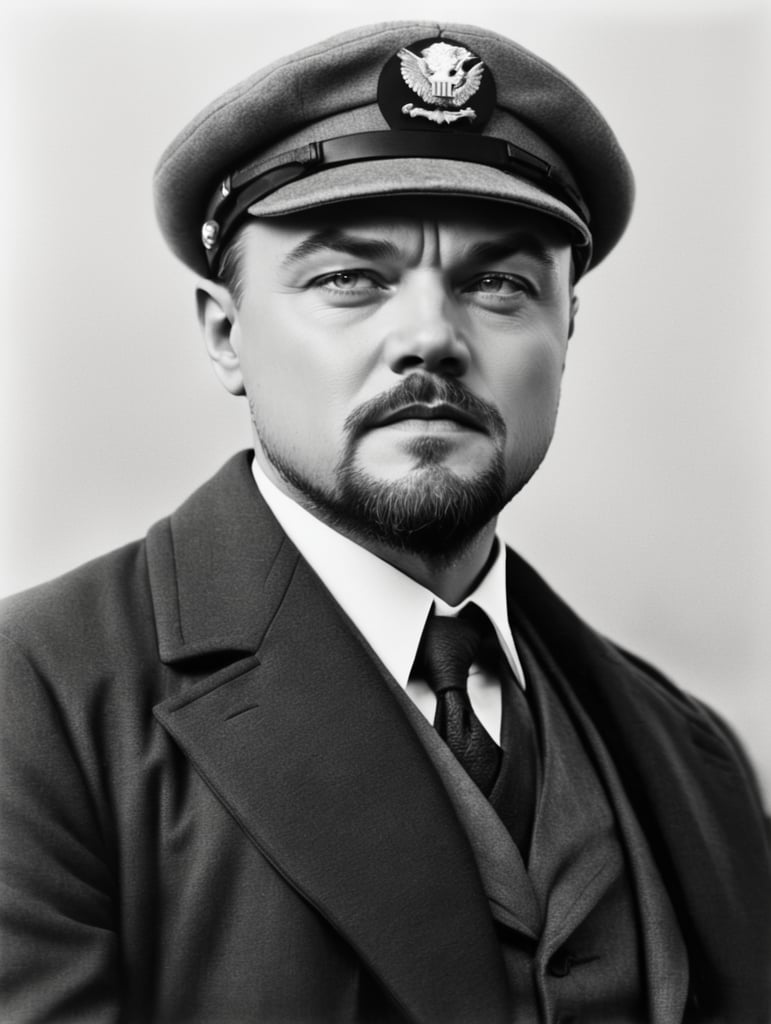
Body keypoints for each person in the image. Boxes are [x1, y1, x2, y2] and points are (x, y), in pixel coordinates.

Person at [1, 18, 769, 1024]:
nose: (430, 338)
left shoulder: (696, 756)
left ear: (565, 331)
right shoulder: (38, 702)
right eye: (349, 279)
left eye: (499, 283)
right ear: (227, 334)